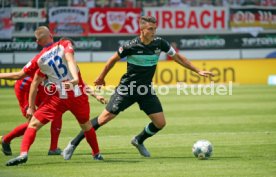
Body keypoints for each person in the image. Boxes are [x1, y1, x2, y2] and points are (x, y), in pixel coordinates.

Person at [62, 16, 214, 160]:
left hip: (145, 90)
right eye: (150, 29)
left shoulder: (160, 43)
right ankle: (72, 144)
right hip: (127, 89)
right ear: (142, 30)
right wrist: (101, 78)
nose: (153, 32)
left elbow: (178, 57)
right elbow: (111, 61)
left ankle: (138, 140)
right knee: (104, 118)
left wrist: (198, 71)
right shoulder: (131, 45)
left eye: (155, 29)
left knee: (160, 123)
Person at [5, 26, 104, 166]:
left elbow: (25, 79)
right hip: (77, 96)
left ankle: (23, 154)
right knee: (86, 126)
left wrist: (31, 107)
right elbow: (70, 60)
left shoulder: (39, 60)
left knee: (33, 124)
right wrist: (75, 79)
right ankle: (97, 154)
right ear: (51, 35)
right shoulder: (64, 44)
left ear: (38, 42)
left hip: (59, 98)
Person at [0, 61, 63, 157]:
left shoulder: (57, 58)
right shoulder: (44, 58)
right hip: (24, 89)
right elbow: (19, 75)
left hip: (39, 85)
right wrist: (30, 107)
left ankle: (53, 148)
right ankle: (6, 140)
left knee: (57, 111)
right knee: (33, 122)